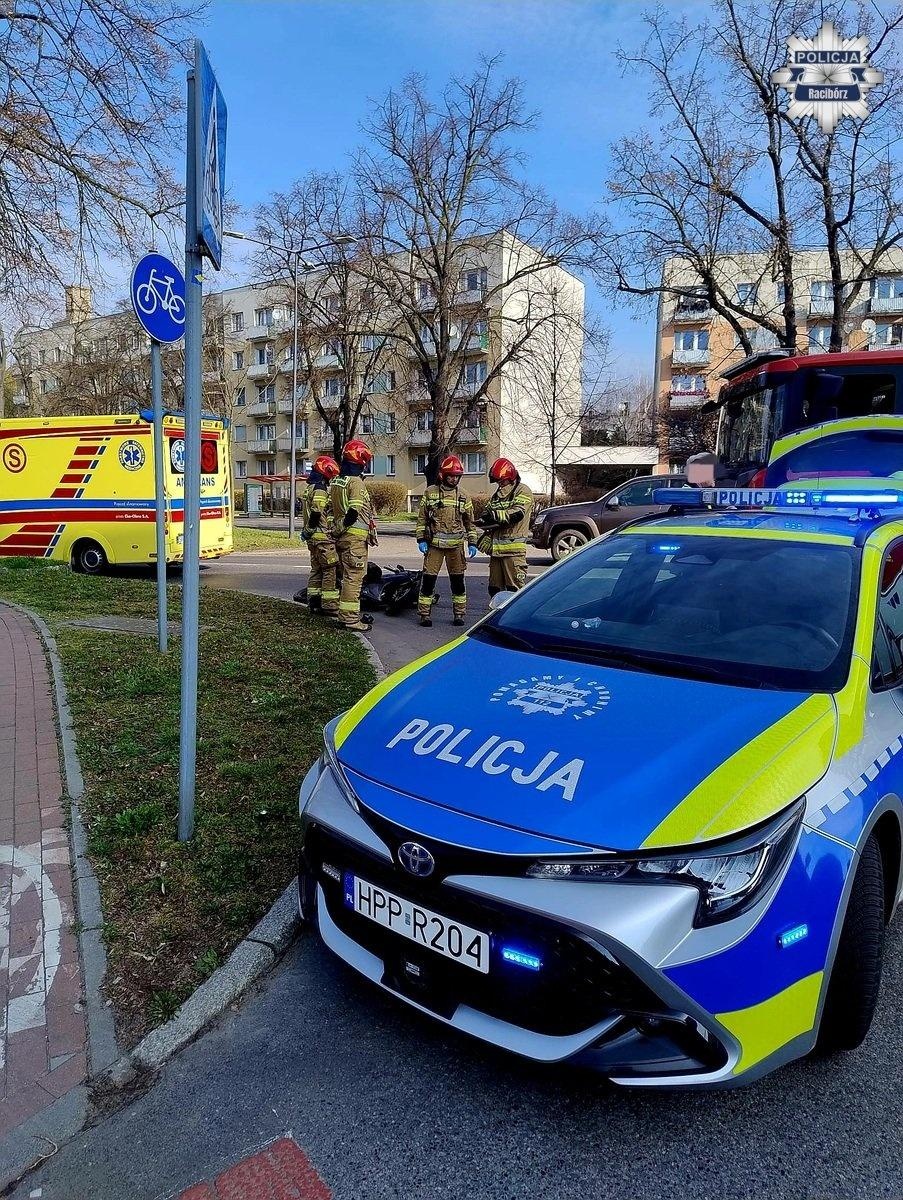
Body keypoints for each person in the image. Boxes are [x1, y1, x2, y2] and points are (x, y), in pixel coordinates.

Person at [415, 454, 478, 628]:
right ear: (443, 475)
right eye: (451, 476)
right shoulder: (430, 492)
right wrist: (421, 539)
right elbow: (422, 520)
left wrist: (472, 542)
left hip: (456, 547)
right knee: (428, 581)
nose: (454, 479)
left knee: (458, 582)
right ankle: (424, 615)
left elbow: (470, 523)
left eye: (457, 476)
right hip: (434, 545)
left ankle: (459, 614)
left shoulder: (464, 496)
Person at [329, 438, 375, 631]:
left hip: (344, 537)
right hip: (354, 539)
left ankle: (344, 615)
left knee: (346, 576)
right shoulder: (356, 482)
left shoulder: (338, 481)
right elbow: (354, 512)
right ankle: (349, 619)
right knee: (354, 578)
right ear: (361, 461)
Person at [477, 457, 534, 598]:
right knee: (494, 590)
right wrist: (484, 525)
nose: (500, 485)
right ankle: (495, 619)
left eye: (502, 481)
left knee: (514, 592)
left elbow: (517, 514)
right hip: (496, 552)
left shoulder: (523, 491)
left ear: (511, 477)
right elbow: (487, 513)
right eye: (498, 482)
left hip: (513, 553)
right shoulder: (497, 495)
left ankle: (515, 619)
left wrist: (494, 516)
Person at [295, 455, 340, 615]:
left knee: (316, 570)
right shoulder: (320, 489)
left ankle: (313, 603)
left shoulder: (309, 488)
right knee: (329, 570)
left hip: (312, 539)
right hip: (322, 538)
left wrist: (307, 532)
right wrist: (311, 529)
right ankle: (329, 605)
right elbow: (316, 512)